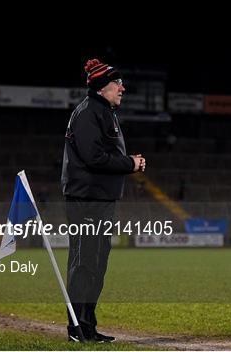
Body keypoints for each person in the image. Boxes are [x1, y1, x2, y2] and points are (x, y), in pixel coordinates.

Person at [61, 58, 146, 343]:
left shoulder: (103, 111)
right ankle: (76, 328)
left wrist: (129, 163)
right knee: (85, 262)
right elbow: (93, 158)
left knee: (97, 262)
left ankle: (87, 326)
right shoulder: (87, 113)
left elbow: (100, 156)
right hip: (86, 199)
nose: (122, 88)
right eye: (117, 83)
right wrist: (129, 164)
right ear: (102, 87)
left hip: (100, 199)